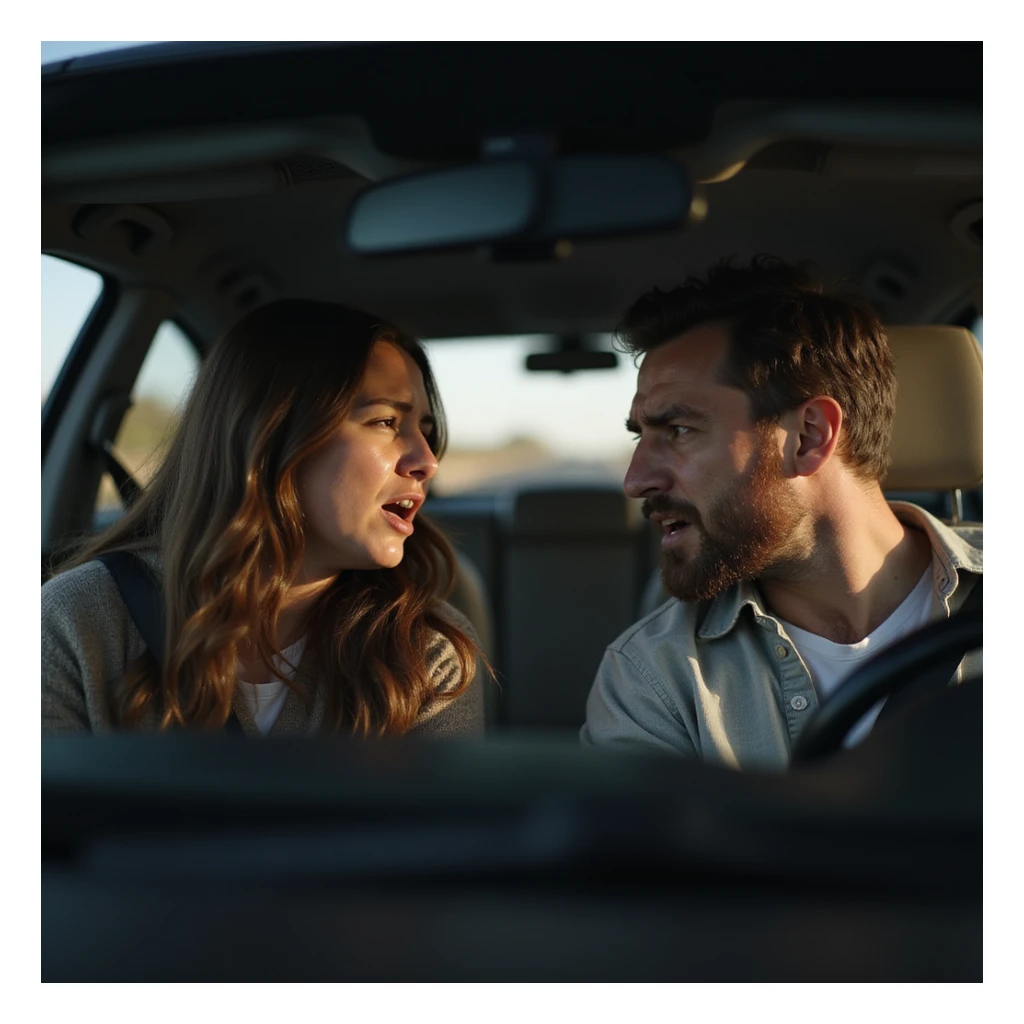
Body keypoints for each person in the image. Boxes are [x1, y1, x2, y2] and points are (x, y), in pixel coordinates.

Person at [581, 257, 982, 768]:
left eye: (678, 430)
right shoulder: (654, 677)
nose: (635, 481)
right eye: (642, 436)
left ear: (810, 436)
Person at [42, 300, 486, 737]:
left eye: (426, 433)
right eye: (387, 422)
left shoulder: (424, 650)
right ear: (271, 435)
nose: (427, 461)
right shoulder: (74, 623)